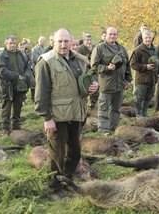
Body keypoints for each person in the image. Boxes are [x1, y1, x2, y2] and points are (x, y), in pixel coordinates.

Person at [35, 28, 99, 195]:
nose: (63, 45)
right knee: (57, 153)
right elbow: (41, 93)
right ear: (53, 42)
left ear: (72, 42)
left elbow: (85, 83)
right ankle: (55, 188)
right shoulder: (46, 62)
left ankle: (67, 178)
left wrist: (93, 86)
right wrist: (47, 118)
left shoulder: (80, 60)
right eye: (59, 41)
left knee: (75, 151)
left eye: (66, 41)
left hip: (77, 113)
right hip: (57, 116)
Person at [91, 27, 132, 133]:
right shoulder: (99, 48)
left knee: (116, 109)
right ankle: (103, 130)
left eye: (114, 34)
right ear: (106, 35)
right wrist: (106, 68)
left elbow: (127, 65)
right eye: (110, 34)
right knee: (104, 108)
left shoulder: (122, 49)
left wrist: (128, 80)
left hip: (120, 84)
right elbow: (94, 66)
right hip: (106, 84)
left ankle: (114, 128)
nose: (112, 36)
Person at [0, 35, 34, 134]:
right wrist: (17, 76)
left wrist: (26, 76)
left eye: (14, 43)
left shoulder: (21, 54)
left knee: (18, 106)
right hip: (6, 85)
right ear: (6, 43)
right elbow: (2, 71)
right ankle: (5, 129)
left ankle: (16, 126)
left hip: (20, 85)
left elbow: (27, 67)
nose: (12, 45)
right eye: (10, 43)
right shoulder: (1, 55)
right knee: (6, 108)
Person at [130, 30, 158, 117]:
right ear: (142, 38)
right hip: (142, 79)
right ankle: (138, 116)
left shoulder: (155, 50)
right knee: (139, 99)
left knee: (148, 98)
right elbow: (133, 64)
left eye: (149, 38)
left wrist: (158, 73)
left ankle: (144, 114)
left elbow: (158, 63)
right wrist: (145, 67)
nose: (148, 39)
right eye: (146, 38)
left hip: (152, 79)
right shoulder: (138, 50)